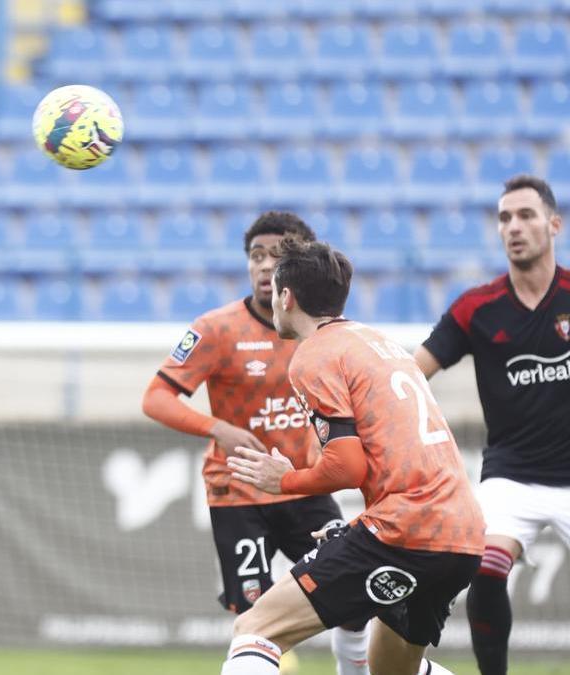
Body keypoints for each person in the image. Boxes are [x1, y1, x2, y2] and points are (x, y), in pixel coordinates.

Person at [222, 237, 484, 675]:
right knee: (390, 671)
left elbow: (348, 466)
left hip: (407, 529)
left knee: (255, 629)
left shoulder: (315, 355)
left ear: (286, 298)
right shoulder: (378, 343)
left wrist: (283, 480)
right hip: (461, 534)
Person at [141, 212, 368, 675]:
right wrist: (215, 428)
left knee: (353, 596)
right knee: (256, 614)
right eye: (255, 255)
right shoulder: (217, 328)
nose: (265, 266)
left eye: (277, 255)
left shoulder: (327, 334)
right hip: (238, 490)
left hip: (304, 487)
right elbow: (155, 397)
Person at [414, 175, 570, 675]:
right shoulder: (476, 308)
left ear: (554, 224)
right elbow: (411, 374)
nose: (514, 227)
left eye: (526, 215)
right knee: (483, 565)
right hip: (511, 475)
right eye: (505, 218)